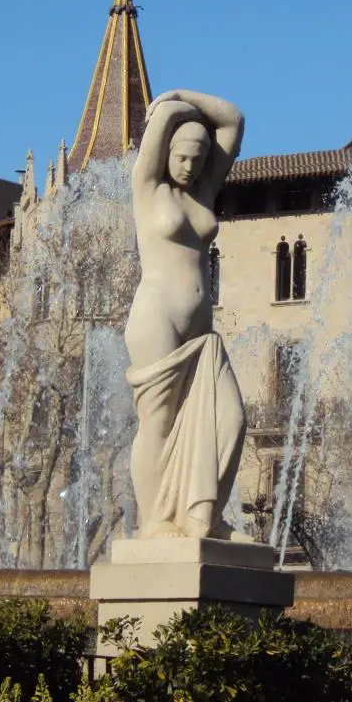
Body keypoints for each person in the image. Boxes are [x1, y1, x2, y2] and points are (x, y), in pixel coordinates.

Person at [124, 89, 250, 541]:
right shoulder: (147, 187)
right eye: (182, 157)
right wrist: (171, 107)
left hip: (202, 332)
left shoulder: (205, 190)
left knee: (232, 419)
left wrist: (183, 95)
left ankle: (203, 519)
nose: (191, 166)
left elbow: (233, 120)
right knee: (156, 423)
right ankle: (154, 522)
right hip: (156, 316)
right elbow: (159, 125)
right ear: (167, 152)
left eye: (198, 159)